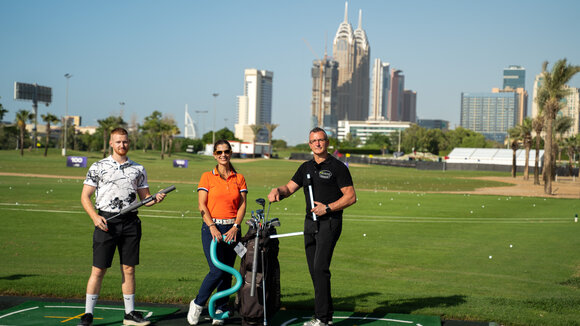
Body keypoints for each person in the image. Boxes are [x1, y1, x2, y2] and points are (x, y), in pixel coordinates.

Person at [78, 127, 166, 326]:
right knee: (98, 269)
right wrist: (94, 217)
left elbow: (146, 199)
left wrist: (156, 199)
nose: (122, 145)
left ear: (129, 143)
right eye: (118, 142)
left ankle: (130, 314)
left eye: (125, 142)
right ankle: (88, 314)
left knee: (128, 268)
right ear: (111, 143)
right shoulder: (98, 166)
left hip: (131, 223)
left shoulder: (138, 169)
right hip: (105, 222)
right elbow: (85, 196)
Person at [268, 127, 356, 326]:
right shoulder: (305, 167)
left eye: (321, 140)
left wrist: (328, 208)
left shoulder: (338, 167)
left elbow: (351, 197)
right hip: (310, 224)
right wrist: (278, 191)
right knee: (314, 270)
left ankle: (323, 319)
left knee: (320, 268)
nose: (317, 143)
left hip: (329, 222)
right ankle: (323, 315)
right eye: (314, 140)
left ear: (327, 142)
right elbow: (289, 188)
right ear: (309, 144)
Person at [187, 139, 247, 326]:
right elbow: (201, 205)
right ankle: (198, 304)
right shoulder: (207, 176)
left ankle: (220, 309)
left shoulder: (239, 178)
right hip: (212, 228)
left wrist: (236, 226)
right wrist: (212, 226)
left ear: (230, 153)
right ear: (214, 154)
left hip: (233, 229)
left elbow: (242, 204)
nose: (223, 155)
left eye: (226, 151)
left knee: (228, 272)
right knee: (217, 270)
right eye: (219, 152)